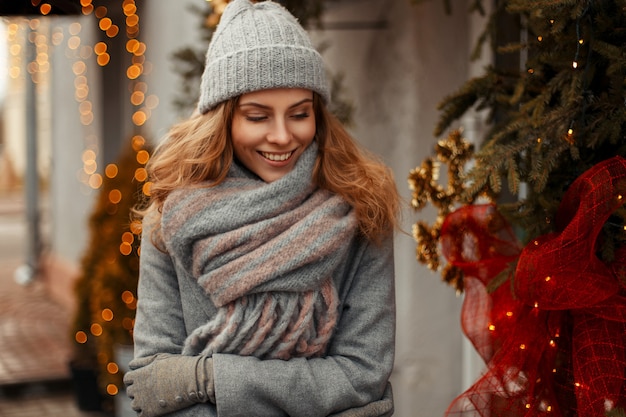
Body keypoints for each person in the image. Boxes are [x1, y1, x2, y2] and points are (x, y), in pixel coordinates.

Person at [123, 0, 400, 416]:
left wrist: (207, 378)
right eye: (257, 116)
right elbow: (154, 381)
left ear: (318, 114)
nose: (283, 136)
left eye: (299, 114)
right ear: (223, 119)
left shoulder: (360, 210)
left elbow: (361, 375)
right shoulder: (173, 220)